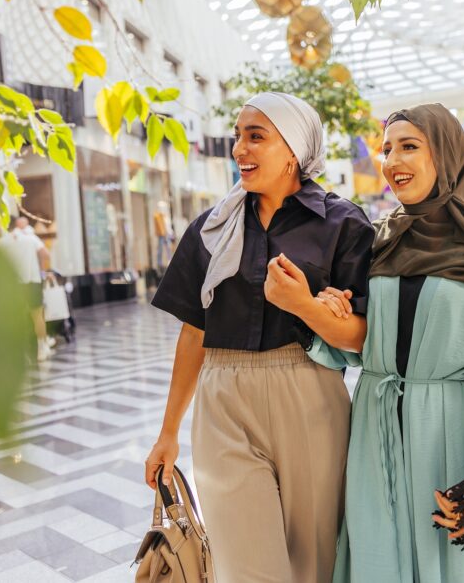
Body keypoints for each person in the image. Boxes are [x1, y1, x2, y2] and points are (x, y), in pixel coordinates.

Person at [271, 104, 464, 582]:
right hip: (374, 435)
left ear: (447, 156)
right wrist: (325, 310)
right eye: (386, 149)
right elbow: (361, 347)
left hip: (449, 441)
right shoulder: (380, 242)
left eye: (409, 147)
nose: (391, 161)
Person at [142, 92, 375, 583]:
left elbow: (363, 336)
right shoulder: (210, 230)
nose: (239, 149)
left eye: (255, 136)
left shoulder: (343, 224)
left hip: (309, 392)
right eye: (237, 136)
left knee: (315, 562)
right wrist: (168, 433)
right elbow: (193, 333)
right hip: (223, 400)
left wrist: (307, 308)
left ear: (293, 150)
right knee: (248, 568)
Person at [0, 216, 53, 360]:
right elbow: (46, 254)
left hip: (13, 284)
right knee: (37, 317)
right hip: (32, 281)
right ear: (18, 223)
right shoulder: (30, 238)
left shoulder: (2, 242)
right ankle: (42, 348)